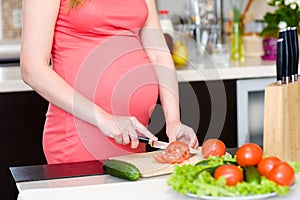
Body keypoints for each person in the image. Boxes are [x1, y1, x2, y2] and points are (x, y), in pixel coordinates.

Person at [21, 0, 199, 164]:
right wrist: (105, 120)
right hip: (79, 136)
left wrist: (174, 120)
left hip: (133, 137)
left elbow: (158, 54)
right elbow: (32, 69)